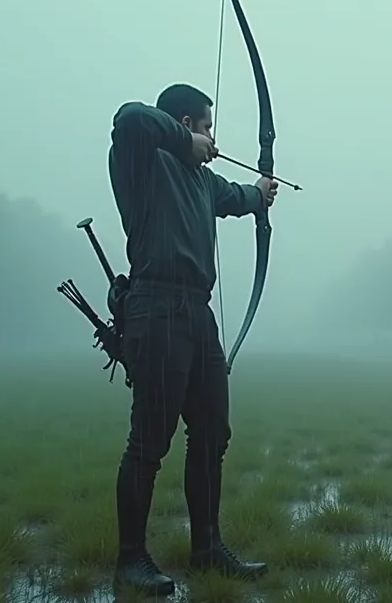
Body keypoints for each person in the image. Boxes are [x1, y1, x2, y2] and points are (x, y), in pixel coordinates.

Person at [108, 83, 279, 596]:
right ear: (186, 124)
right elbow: (130, 116)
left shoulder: (203, 184)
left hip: (197, 316)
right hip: (155, 309)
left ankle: (207, 547)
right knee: (149, 443)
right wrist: (185, 144)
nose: (212, 140)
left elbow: (237, 196)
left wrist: (261, 194)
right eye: (207, 128)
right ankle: (130, 558)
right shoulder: (144, 161)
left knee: (212, 433)